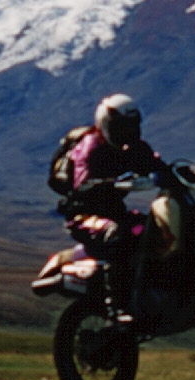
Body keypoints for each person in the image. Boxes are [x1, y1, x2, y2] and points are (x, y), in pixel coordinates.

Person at [54, 93, 165, 313]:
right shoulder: (90, 147)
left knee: (155, 230)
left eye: (132, 126)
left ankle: (154, 292)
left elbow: (158, 166)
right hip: (84, 217)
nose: (128, 132)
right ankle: (120, 306)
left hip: (116, 213)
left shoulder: (135, 148)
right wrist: (110, 184)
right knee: (117, 235)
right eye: (122, 127)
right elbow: (82, 183)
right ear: (106, 125)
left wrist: (187, 174)